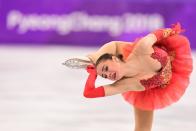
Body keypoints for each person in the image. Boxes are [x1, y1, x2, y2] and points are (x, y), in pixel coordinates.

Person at [83, 23, 193, 131]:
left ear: (115, 59)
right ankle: (92, 60)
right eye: (105, 76)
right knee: (143, 129)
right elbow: (88, 93)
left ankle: (93, 58)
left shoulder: (142, 48)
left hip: (173, 60)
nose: (108, 75)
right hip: (150, 91)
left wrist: (173, 31)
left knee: (115, 47)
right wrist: (92, 75)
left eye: (106, 69)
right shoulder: (125, 84)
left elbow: (160, 33)